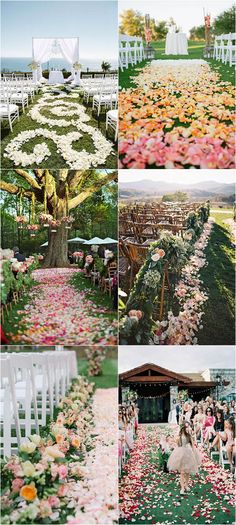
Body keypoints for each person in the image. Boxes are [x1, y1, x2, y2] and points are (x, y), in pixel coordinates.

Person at [167, 422, 201, 495]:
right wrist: (174, 439)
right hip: (180, 453)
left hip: (188, 454)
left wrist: (195, 453)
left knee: (187, 472)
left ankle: (186, 485)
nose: (187, 429)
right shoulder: (178, 436)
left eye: (187, 427)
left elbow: (192, 445)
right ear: (182, 428)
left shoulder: (189, 436)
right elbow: (177, 444)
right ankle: (182, 487)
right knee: (182, 472)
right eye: (185, 428)